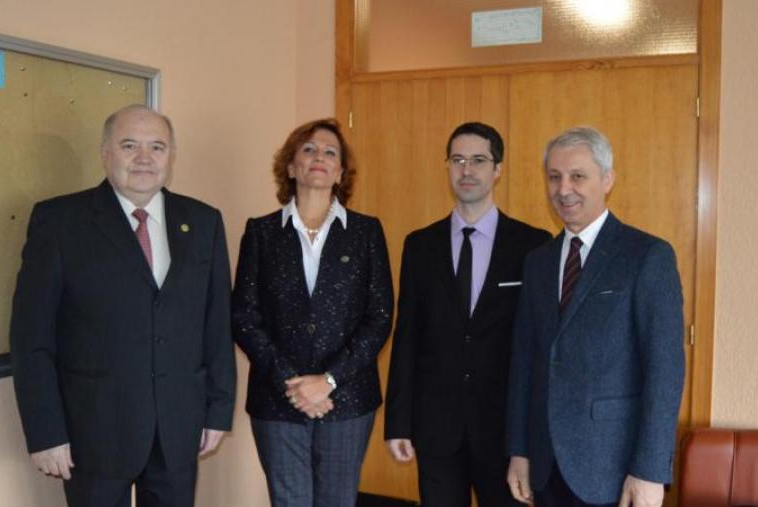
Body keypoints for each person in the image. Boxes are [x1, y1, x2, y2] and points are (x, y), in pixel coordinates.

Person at [10, 104, 237, 506]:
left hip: (177, 430)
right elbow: (32, 340)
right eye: (130, 145)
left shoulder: (203, 222)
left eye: (157, 147)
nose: (144, 159)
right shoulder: (60, 221)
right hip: (93, 433)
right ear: (105, 152)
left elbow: (216, 324)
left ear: (171, 156)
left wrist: (218, 411)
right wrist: (46, 432)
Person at [505, 126, 685, 507]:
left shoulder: (647, 256)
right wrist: (519, 450)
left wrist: (651, 471)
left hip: (612, 469)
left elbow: (664, 370)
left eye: (577, 176)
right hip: (545, 465)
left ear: (607, 180)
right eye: (554, 177)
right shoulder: (538, 262)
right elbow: (525, 362)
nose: (563, 189)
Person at [384, 122, 551, 506]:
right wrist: (398, 423)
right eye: (458, 160)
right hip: (437, 428)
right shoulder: (420, 245)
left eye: (478, 160)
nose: (467, 170)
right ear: (447, 167)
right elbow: (407, 334)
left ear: (497, 170)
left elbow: (539, 347)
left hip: (506, 432)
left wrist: (533, 431)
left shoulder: (533, 246)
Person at [232, 118, 393, 507]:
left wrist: (330, 380)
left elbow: (380, 316)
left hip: (348, 401)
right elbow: (245, 316)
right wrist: (293, 382)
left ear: (340, 172)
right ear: (290, 167)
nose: (318, 156)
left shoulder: (367, 232)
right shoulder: (261, 232)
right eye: (308, 150)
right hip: (277, 399)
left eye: (329, 152)